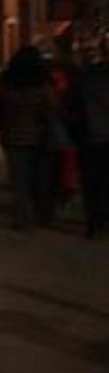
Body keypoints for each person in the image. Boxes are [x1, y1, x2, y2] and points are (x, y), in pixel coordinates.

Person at [0, 46, 57, 229]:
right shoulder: (43, 83)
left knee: (19, 181)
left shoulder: (6, 82)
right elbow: (53, 108)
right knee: (41, 179)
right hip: (40, 136)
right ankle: (42, 215)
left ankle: (22, 219)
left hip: (13, 136)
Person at [69, 39, 109, 237]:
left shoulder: (86, 78)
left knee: (92, 181)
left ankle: (94, 220)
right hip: (95, 136)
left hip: (91, 137)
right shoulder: (87, 78)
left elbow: (73, 109)